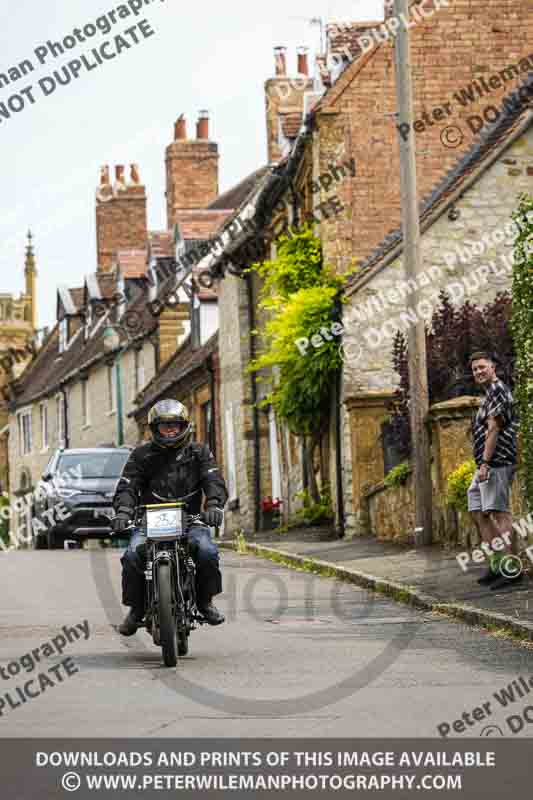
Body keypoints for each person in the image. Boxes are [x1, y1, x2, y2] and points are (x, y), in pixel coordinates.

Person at [112, 399, 228, 635]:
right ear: (155, 429)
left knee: (207, 552)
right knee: (132, 555)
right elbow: (127, 486)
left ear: (184, 426)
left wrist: (214, 506)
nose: (171, 430)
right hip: (149, 521)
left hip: (191, 519)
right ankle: (136, 609)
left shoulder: (199, 452)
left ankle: (205, 602)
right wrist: (124, 512)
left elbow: (212, 480)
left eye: (175, 425)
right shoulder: (141, 455)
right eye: (165, 426)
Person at [467, 351, 520, 591]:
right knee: (478, 511)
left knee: (499, 514)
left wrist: (486, 463)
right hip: (485, 465)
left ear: (493, 367)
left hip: (497, 462)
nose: (478, 371)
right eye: (475, 369)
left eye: (482, 367)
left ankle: (512, 568)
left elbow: (494, 430)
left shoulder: (499, 390)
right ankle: (497, 564)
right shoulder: (488, 395)